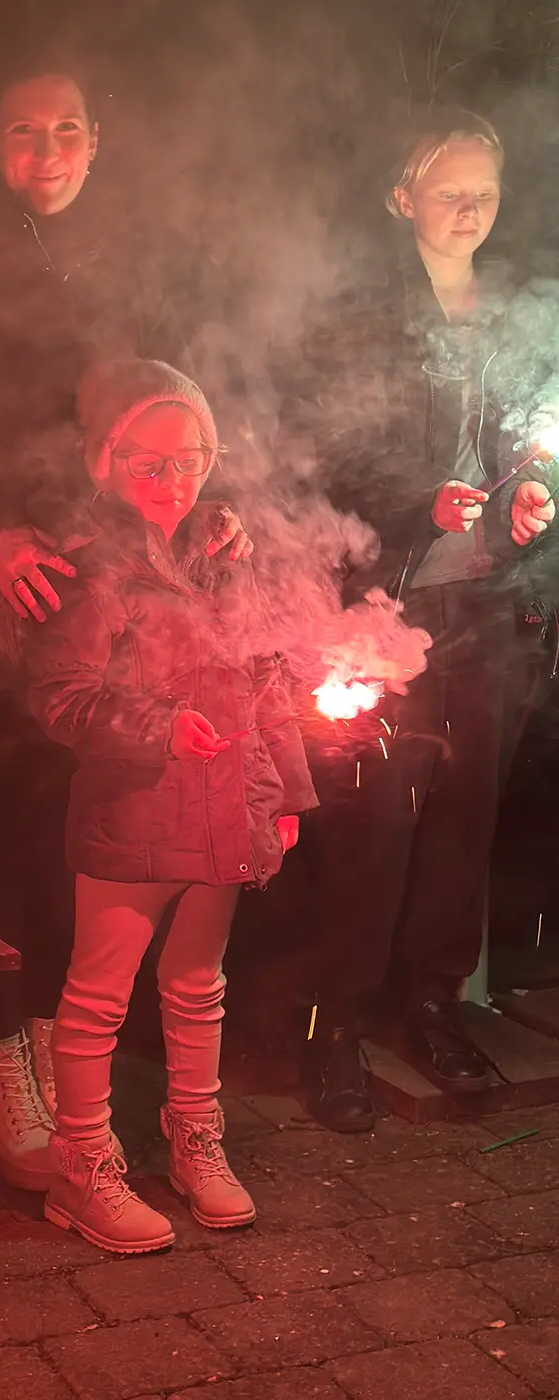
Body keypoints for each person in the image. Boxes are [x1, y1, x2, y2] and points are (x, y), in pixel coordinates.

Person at [0, 54, 252, 1193]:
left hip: (124, 571)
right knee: (11, 829)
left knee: (107, 818)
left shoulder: (139, 264)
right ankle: (1, 1059)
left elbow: (184, 398)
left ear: (96, 140)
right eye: (23, 132)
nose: (46, 154)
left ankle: (92, 1072)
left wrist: (205, 505)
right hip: (15, 589)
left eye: (66, 132)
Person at [0, 358, 315, 1253]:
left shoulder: (226, 554)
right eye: (147, 462)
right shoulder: (88, 571)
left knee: (198, 985)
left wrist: (285, 789)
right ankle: (83, 1165)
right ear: (102, 461)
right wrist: (161, 729)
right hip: (131, 813)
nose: (172, 481)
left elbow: (269, 675)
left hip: (223, 812)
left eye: (189, 458)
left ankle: (193, 1137)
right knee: (98, 995)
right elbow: (63, 696)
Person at [278, 112, 555, 1131]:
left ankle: (431, 1001)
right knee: (373, 821)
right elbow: (320, 452)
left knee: (462, 817)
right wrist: (414, 506)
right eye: (449, 191)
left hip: (490, 605)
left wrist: (534, 504)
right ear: (402, 198)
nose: (471, 208)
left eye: (486, 190)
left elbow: (537, 442)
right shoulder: (360, 318)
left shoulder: (522, 314)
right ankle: (335, 1021)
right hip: (387, 604)